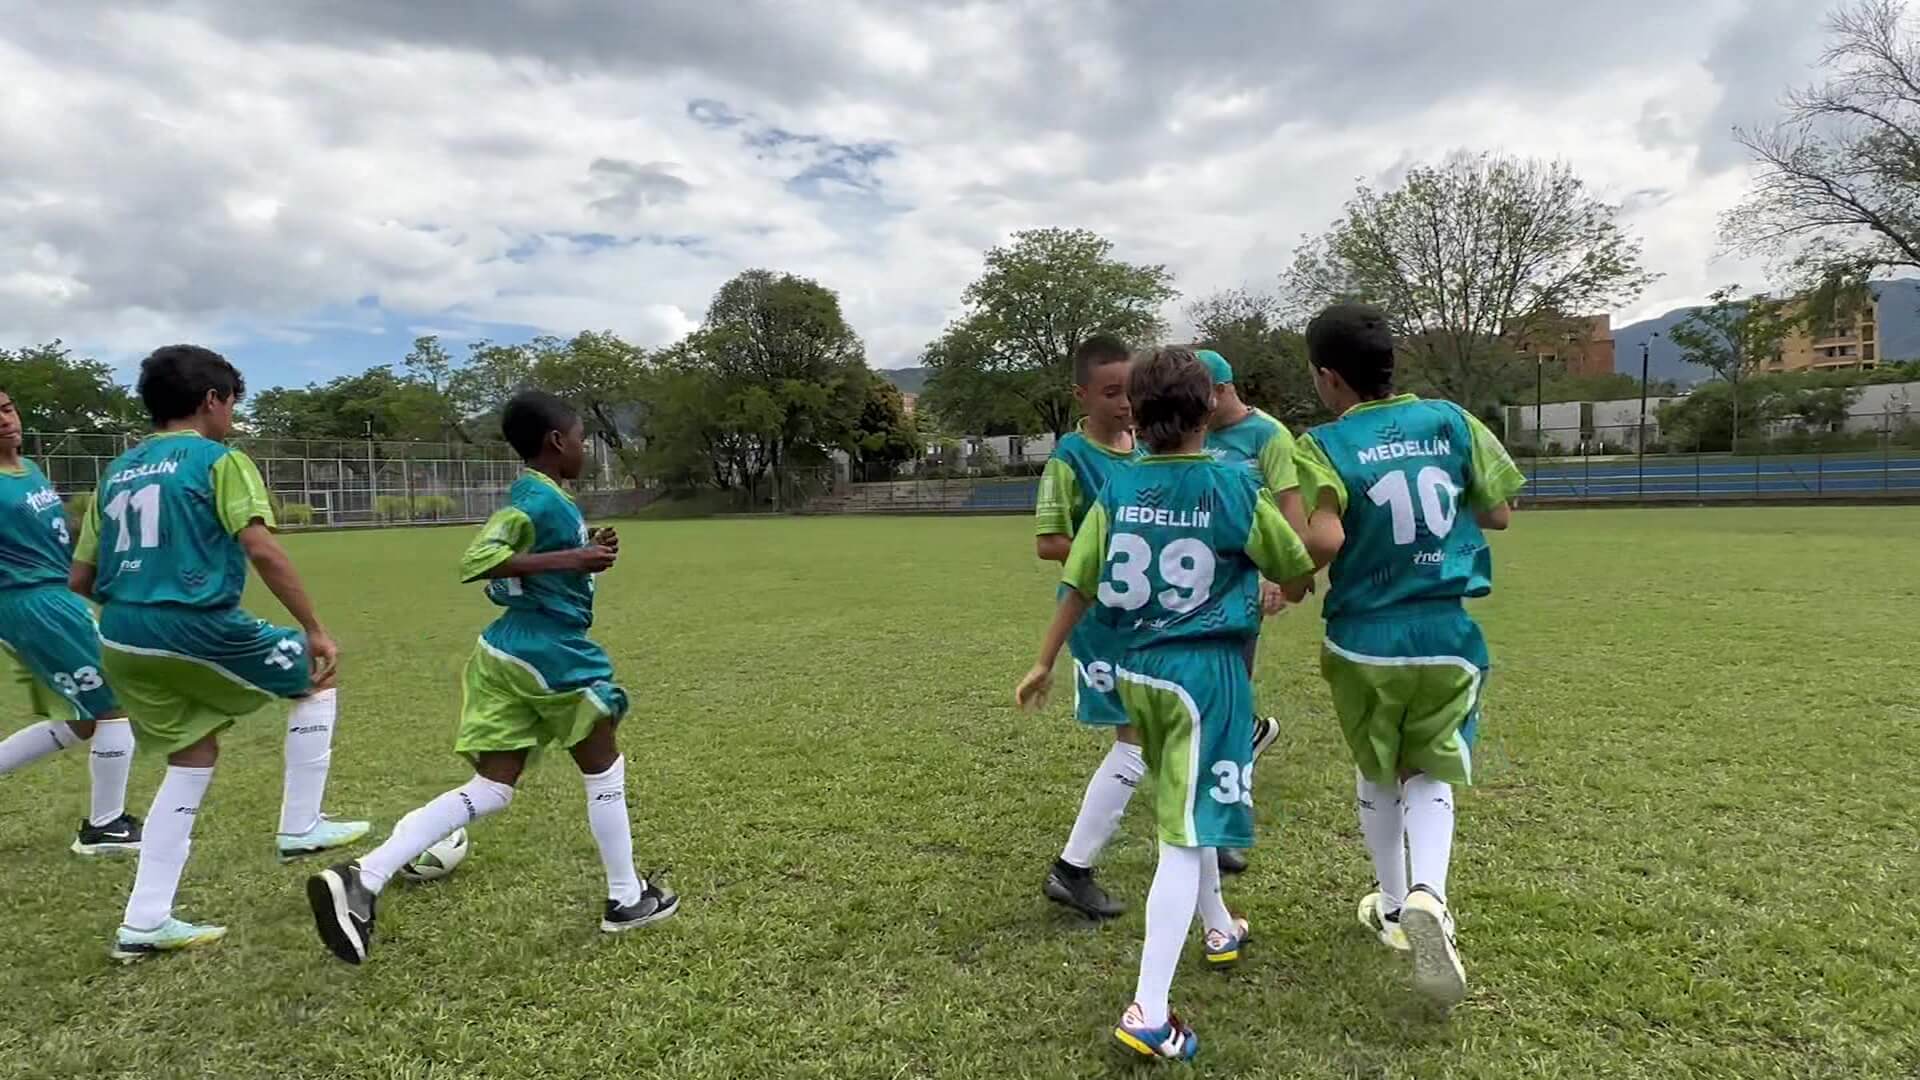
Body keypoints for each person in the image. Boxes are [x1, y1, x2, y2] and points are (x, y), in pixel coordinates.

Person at [1016, 346, 1317, 1060]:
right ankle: (1149, 1009)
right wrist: (1281, 583)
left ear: (1139, 412)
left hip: (1134, 671)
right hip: (1203, 680)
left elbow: (1078, 582)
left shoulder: (1119, 488)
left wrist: (1043, 660)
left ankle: (1218, 923)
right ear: (1208, 405)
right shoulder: (1235, 487)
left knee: (1188, 804)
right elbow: (1296, 567)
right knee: (1183, 838)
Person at [307, 390, 674, 966]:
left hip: (502, 652)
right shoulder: (535, 499)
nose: (585, 448)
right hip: (549, 651)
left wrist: (586, 549)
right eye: (582, 438)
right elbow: (478, 561)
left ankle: (365, 877)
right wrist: (571, 560)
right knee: (604, 765)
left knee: (493, 788)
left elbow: (515, 574)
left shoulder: (550, 499)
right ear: (557, 442)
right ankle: (627, 899)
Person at [71, 345, 369, 961]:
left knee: (193, 753)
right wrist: (313, 626)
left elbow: (80, 577)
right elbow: (260, 548)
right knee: (314, 676)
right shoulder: (220, 460)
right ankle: (301, 827)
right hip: (192, 625)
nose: (233, 415)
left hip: (120, 634)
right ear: (212, 400)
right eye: (233, 402)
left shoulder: (117, 471)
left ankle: (145, 919)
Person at [1291, 304, 1524, 1009]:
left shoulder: (1322, 443)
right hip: (1445, 638)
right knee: (1432, 768)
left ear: (1329, 378)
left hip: (1363, 639)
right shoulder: (1452, 422)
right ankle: (1431, 894)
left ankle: (1394, 906)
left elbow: (1326, 538)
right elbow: (1500, 511)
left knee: (1378, 767)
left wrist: (1284, 575)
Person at [1031, 334, 1145, 921]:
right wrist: (1116, 556)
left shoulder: (1146, 447)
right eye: (1112, 392)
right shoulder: (1068, 460)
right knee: (1138, 736)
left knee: (1162, 728)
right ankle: (1072, 870)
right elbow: (1051, 543)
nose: (1126, 403)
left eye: (1132, 390)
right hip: (1098, 618)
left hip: (1149, 614)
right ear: (1083, 395)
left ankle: (1210, 843)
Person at [0, 388, 141, 854]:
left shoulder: (29, 469)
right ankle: (104, 828)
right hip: (32, 604)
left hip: (59, 597)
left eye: (5, 407)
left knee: (85, 718)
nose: (4, 419)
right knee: (112, 705)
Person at [1198, 348, 1305, 874]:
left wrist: (1278, 577)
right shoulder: (1195, 434)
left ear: (1221, 390)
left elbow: (1288, 509)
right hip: (1190, 585)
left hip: (1240, 587)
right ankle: (1251, 736)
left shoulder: (1269, 437)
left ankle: (1223, 827)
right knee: (1204, 697)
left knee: (1227, 696)